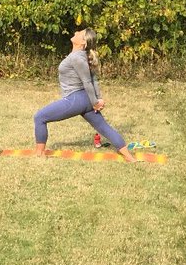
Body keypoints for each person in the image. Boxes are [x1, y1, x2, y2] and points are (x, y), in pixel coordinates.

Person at [33, 27, 138, 163]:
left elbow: (88, 81)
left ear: (83, 43)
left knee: (40, 117)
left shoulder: (77, 58)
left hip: (77, 99)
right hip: (84, 100)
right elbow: (93, 79)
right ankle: (130, 158)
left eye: (80, 33)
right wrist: (97, 99)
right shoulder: (82, 57)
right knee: (104, 128)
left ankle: (39, 154)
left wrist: (96, 101)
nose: (75, 32)